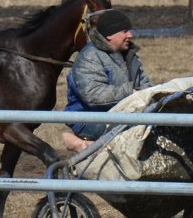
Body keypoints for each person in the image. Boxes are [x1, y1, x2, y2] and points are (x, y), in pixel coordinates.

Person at [62, 9, 153, 153]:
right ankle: (79, 142)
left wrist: (151, 96)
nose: (130, 35)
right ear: (110, 35)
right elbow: (93, 94)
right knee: (136, 131)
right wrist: (130, 92)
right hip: (88, 119)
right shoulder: (90, 56)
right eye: (125, 31)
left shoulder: (130, 55)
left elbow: (146, 85)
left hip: (122, 112)